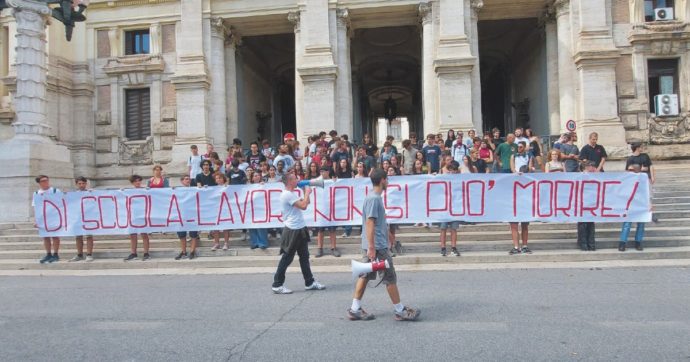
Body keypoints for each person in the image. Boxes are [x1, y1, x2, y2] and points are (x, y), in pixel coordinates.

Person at [348, 169, 420, 321]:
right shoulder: (374, 199)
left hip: (375, 244)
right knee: (390, 277)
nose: (388, 182)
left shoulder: (373, 198)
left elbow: (378, 223)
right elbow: (370, 223)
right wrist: (372, 247)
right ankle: (400, 311)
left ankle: (355, 308)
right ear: (381, 180)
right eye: (387, 179)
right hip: (378, 247)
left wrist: (389, 237)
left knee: (365, 275)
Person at [271, 173, 326, 294]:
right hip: (293, 230)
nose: (298, 180)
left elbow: (307, 202)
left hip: (300, 228)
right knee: (287, 258)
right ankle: (277, 284)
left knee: (304, 257)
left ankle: (309, 282)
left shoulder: (292, 193)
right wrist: (306, 192)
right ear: (290, 181)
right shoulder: (287, 194)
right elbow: (304, 206)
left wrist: (305, 191)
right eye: (296, 178)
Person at [33, 175, 61, 264]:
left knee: (55, 236)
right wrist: (36, 220)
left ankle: (56, 254)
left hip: (54, 216)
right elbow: (36, 207)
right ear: (39, 183)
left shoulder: (55, 191)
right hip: (43, 217)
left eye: (47, 180)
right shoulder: (36, 193)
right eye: (43, 181)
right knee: (45, 236)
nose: (46, 182)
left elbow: (62, 203)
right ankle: (48, 254)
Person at [508, 154, 532, 255]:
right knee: (515, 226)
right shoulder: (512, 180)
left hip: (523, 206)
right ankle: (518, 246)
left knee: (523, 226)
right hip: (515, 206)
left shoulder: (532, 181)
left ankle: (522, 246)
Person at [627, 142, 658, 222]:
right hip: (637, 181)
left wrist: (653, 176)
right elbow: (628, 170)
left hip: (646, 178)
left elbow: (650, 166)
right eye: (641, 147)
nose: (642, 148)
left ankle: (651, 213)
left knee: (649, 195)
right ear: (637, 148)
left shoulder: (645, 156)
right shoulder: (630, 159)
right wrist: (641, 169)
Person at [619, 164, 646, 251]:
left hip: (641, 204)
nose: (628, 171)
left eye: (631, 170)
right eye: (628, 170)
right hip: (630, 204)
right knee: (627, 224)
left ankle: (638, 242)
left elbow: (648, 192)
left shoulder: (643, 180)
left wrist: (650, 203)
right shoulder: (626, 180)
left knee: (641, 224)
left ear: (637, 171)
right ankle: (622, 242)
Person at [124, 175, 151, 261]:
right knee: (133, 235)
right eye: (136, 181)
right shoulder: (129, 192)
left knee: (144, 234)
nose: (138, 182)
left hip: (143, 215)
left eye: (139, 180)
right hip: (133, 215)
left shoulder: (145, 190)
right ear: (132, 183)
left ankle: (146, 252)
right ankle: (133, 253)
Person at [316, 165, 340, 257]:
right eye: (320, 171)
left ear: (328, 172)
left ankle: (333, 248)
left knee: (332, 230)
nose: (321, 173)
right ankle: (320, 249)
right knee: (320, 230)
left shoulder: (333, 181)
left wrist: (335, 182)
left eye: (323, 171)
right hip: (321, 209)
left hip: (331, 209)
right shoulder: (318, 181)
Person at [70, 177, 95, 262]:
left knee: (89, 236)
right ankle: (79, 254)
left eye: (83, 183)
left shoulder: (90, 192)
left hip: (88, 217)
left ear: (86, 184)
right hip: (77, 217)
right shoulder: (73, 194)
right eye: (79, 184)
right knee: (78, 236)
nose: (81, 185)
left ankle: (89, 254)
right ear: (76, 184)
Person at [439, 161, 461, 257]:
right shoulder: (444, 178)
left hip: (455, 207)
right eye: (451, 170)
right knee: (443, 228)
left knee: (454, 229)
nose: (453, 172)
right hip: (445, 207)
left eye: (455, 170)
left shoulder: (460, 180)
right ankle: (443, 247)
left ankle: (453, 247)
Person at [175, 176, 199, 260]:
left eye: (189, 179)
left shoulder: (194, 189)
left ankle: (192, 251)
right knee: (182, 235)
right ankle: (183, 251)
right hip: (181, 215)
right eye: (186, 179)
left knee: (193, 234)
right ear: (182, 181)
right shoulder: (177, 190)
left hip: (192, 214)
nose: (188, 180)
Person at [578, 161, 599, 251]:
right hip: (581, 202)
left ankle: (591, 243)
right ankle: (583, 243)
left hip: (592, 202)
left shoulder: (595, 176)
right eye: (591, 166)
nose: (593, 168)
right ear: (585, 167)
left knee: (591, 223)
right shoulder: (579, 176)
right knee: (582, 224)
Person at [249, 172, 269, 249]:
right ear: (252, 178)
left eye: (258, 175)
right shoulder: (248, 186)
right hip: (251, 209)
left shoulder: (264, 185)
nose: (256, 177)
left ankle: (262, 243)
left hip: (261, 208)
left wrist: (263, 186)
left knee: (261, 226)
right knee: (252, 226)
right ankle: (254, 243)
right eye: (254, 176)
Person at [212, 173, 231, 251]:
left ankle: (226, 243)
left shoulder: (228, 188)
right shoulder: (212, 189)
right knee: (215, 228)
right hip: (216, 210)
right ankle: (216, 243)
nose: (218, 179)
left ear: (223, 179)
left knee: (225, 228)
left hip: (225, 209)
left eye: (220, 178)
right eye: (217, 178)